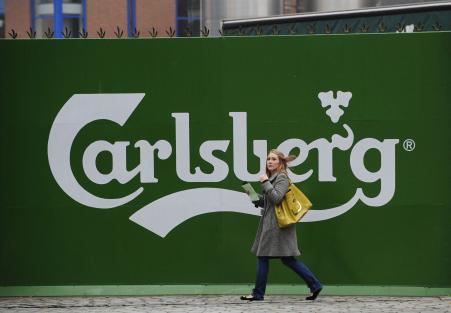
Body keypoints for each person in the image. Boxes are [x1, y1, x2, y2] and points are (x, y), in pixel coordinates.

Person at [240, 149, 323, 301]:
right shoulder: (274, 178)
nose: (269, 161)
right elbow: (268, 202)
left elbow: (277, 198)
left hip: (277, 225)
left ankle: (258, 294)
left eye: (273, 159)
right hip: (273, 223)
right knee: (287, 259)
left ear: (280, 163)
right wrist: (253, 195)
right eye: (268, 159)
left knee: (263, 256)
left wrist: (265, 182)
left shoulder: (282, 178)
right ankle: (315, 285)